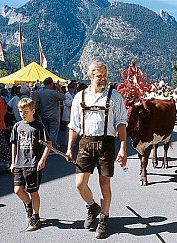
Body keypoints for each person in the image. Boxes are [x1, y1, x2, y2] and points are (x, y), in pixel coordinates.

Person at [66, 61, 127, 239]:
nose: (103, 79)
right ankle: (92, 206)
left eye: (104, 75)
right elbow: (74, 125)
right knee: (79, 184)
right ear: (90, 76)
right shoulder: (80, 97)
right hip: (85, 143)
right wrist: (70, 147)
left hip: (107, 144)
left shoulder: (114, 96)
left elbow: (121, 122)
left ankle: (104, 217)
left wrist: (122, 147)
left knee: (104, 184)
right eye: (99, 76)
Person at [10, 98, 51, 231]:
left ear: (33, 111)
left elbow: (48, 144)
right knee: (17, 190)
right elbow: (14, 144)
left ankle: (36, 216)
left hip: (33, 163)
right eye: (21, 111)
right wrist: (13, 162)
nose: (23, 114)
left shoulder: (38, 126)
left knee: (33, 191)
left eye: (26, 111)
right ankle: (28, 205)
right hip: (19, 163)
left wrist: (42, 159)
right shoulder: (17, 126)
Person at [37, 77, 64, 149]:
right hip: (54, 115)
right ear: (51, 83)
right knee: (53, 132)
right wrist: (59, 88)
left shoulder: (40, 92)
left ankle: (45, 146)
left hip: (44, 114)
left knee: (46, 132)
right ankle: (52, 147)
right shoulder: (53, 92)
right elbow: (63, 97)